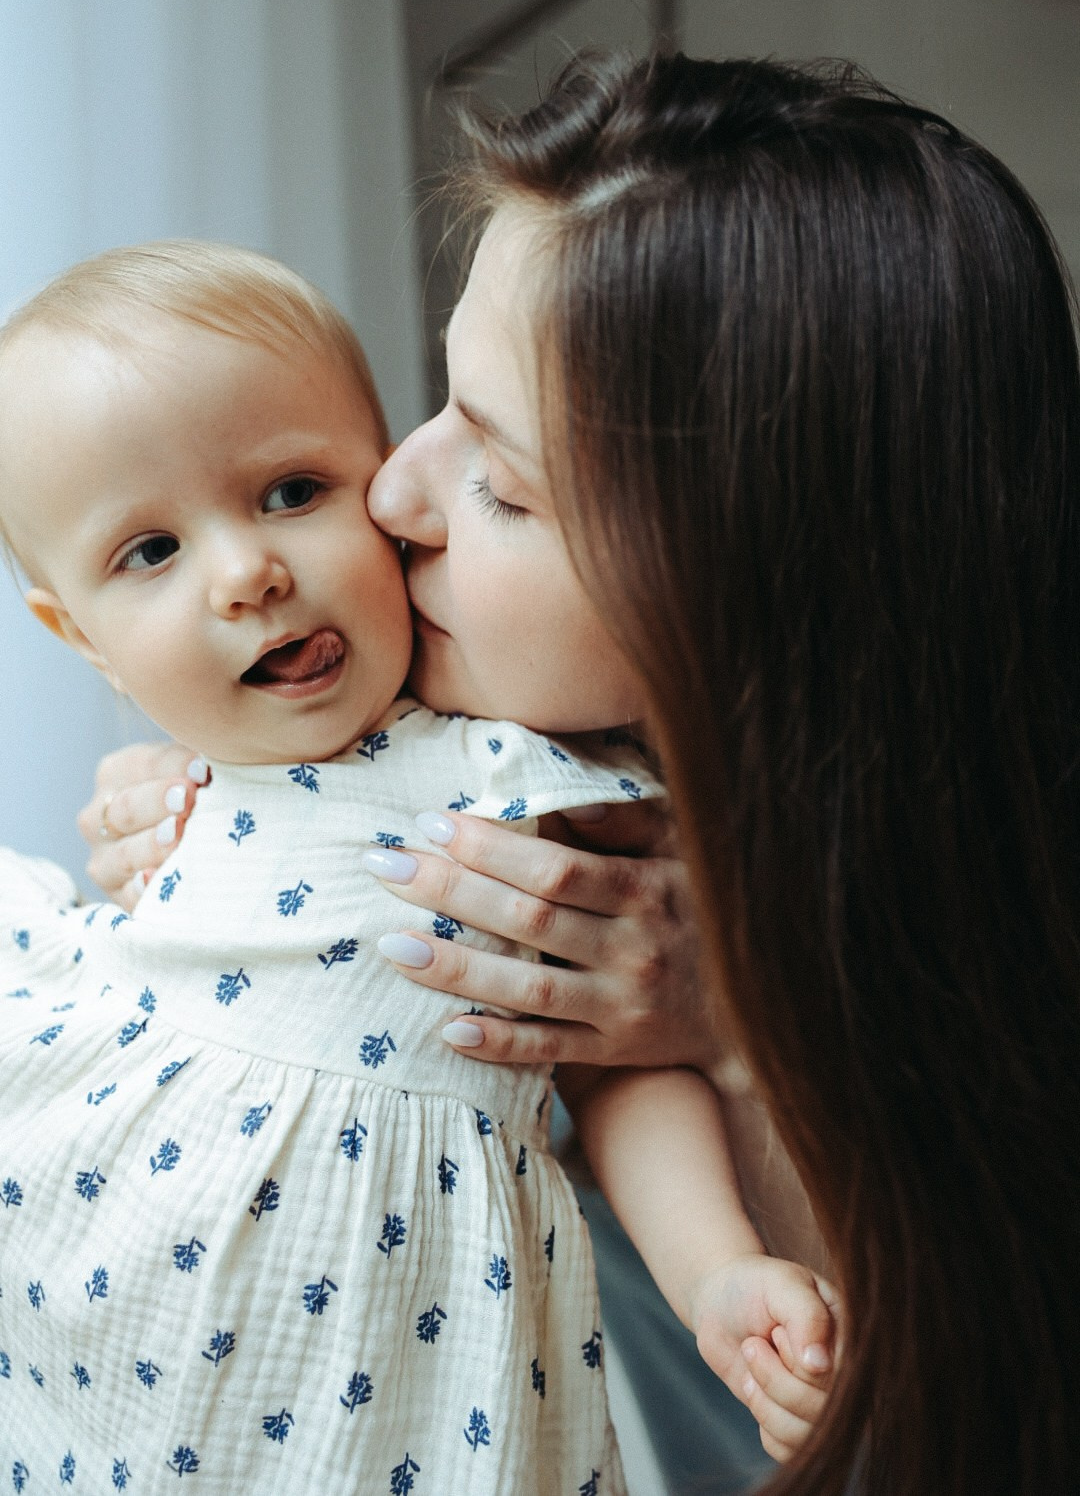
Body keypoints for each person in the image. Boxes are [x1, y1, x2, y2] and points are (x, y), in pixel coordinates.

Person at [90, 51, 1080, 1496]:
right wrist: (189, 839)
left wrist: (738, 1020)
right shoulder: (429, 760)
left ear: (752, 584)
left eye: (502, 483)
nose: (391, 493)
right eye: (441, 402)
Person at [0, 239, 839, 1494]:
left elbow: (621, 1054)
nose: (248, 574)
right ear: (86, 641)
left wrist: (714, 1265)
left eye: (292, 490)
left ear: (376, 482)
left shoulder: (510, 767)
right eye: (150, 554)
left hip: (387, 1352)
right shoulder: (173, 784)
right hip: (113, 1293)